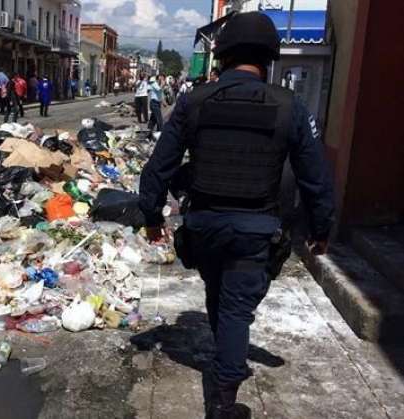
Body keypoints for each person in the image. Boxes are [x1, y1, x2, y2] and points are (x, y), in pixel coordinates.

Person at [138, 12, 334, 419]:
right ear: (268, 58)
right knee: (235, 310)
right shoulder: (290, 107)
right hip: (255, 229)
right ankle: (224, 403)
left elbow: (159, 165)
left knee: (220, 294)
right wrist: (321, 227)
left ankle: (226, 357)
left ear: (222, 57)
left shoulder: (194, 102)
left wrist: (152, 215)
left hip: (204, 226)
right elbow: (314, 176)